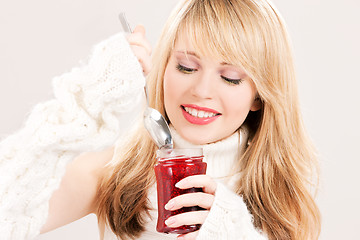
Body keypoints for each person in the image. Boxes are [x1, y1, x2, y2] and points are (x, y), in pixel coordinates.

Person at [0, 0, 321, 239]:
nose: (201, 91)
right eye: (186, 67)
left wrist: (229, 230)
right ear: (164, 67)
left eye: (231, 77)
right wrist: (87, 100)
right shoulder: (116, 172)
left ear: (259, 95)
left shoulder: (282, 199)